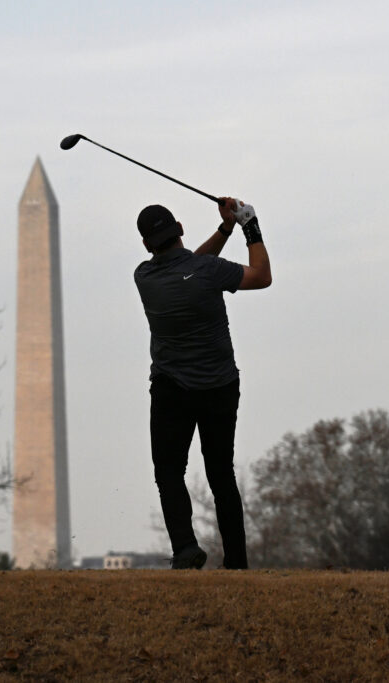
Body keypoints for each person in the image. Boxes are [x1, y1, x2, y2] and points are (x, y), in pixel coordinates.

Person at [133, 198, 271, 569]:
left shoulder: (144, 278)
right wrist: (248, 224)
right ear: (180, 228)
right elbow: (262, 276)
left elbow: (187, 267)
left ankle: (185, 550)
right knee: (221, 474)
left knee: (168, 472)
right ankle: (237, 562)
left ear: (147, 245)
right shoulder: (208, 271)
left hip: (171, 390)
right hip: (219, 387)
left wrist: (225, 230)